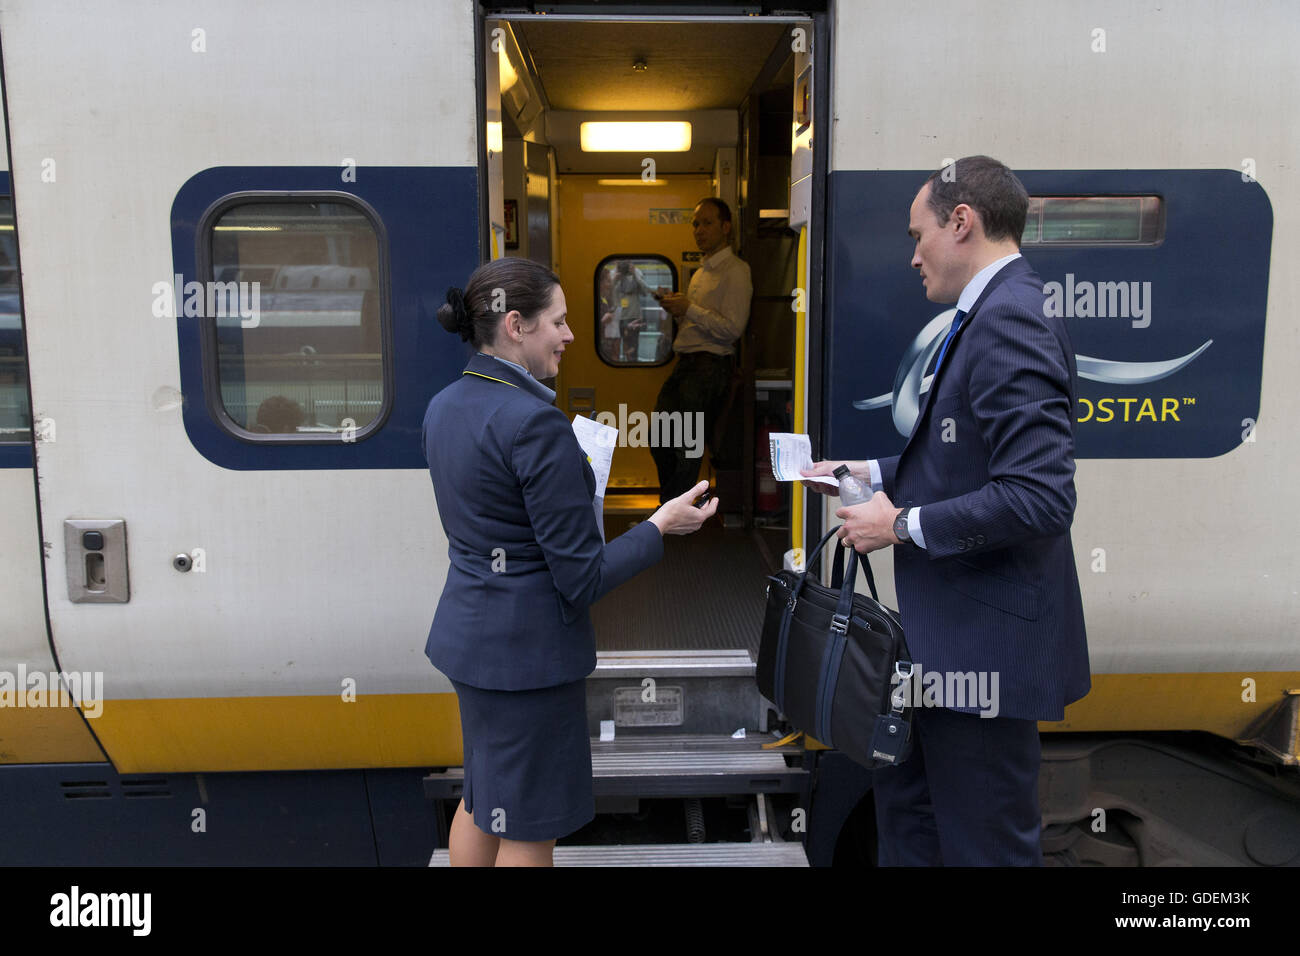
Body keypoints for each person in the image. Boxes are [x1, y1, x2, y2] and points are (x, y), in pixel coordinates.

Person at [802, 156, 1090, 866]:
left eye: (918, 233)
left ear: (963, 223)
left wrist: (898, 524)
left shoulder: (1009, 320)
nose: (912, 255)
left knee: (982, 847)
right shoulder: (992, 313)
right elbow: (960, 465)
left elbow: (1041, 496)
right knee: (914, 828)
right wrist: (859, 472)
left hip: (982, 655)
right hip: (945, 649)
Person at [422, 257, 718, 867]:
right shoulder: (535, 424)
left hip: (470, 643)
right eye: (557, 321)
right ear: (515, 326)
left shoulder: (445, 405)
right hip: (529, 662)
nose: (570, 335)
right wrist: (659, 524)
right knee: (530, 826)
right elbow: (581, 577)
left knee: (483, 800)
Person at [650, 197, 752, 502]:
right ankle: (671, 507)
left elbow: (733, 329)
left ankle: (674, 513)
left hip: (709, 367)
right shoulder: (700, 272)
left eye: (706, 223)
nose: (699, 230)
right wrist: (679, 308)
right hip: (686, 365)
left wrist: (689, 309)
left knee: (685, 444)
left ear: (725, 227)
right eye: (695, 223)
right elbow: (699, 318)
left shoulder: (736, 271)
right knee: (660, 438)